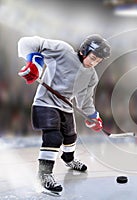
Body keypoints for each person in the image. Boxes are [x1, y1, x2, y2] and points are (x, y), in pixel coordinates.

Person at [17, 34, 111, 193]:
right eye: (93, 57)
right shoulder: (63, 51)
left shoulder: (91, 76)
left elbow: (85, 100)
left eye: (98, 61)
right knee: (54, 137)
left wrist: (93, 116)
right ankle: (44, 174)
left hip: (65, 106)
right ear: (84, 51)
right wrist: (35, 63)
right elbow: (26, 43)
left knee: (71, 137)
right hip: (45, 103)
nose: (93, 63)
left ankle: (69, 159)